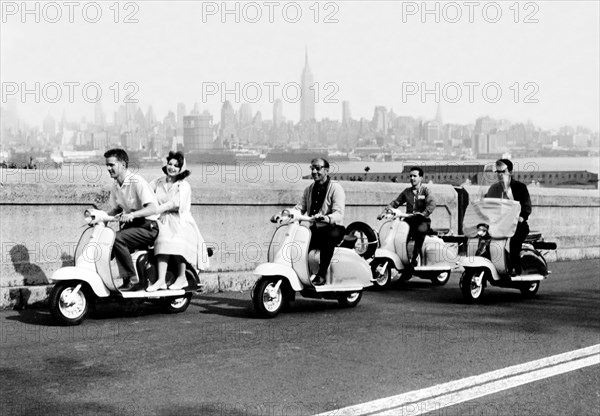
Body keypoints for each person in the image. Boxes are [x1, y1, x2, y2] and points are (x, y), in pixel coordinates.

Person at [146, 151, 209, 291]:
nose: (172, 168)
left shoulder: (183, 186)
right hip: (161, 219)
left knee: (171, 242)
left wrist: (157, 210)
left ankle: (182, 278)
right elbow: (146, 193)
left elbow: (174, 204)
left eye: (176, 165)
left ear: (181, 169)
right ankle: (161, 280)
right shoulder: (158, 182)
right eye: (170, 164)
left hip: (180, 221)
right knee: (159, 241)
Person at [104, 148, 159, 291]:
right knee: (106, 241)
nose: (109, 168)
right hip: (134, 226)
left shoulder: (137, 181)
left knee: (117, 238)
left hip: (149, 226)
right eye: (107, 165)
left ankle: (134, 280)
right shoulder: (115, 186)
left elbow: (152, 208)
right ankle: (125, 280)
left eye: (112, 165)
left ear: (122, 164)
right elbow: (116, 209)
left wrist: (132, 215)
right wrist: (102, 218)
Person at [290, 158, 345, 286]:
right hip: (315, 228)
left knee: (328, 238)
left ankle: (321, 275)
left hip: (333, 227)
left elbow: (339, 213)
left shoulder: (335, 188)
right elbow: (300, 207)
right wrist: (288, 213)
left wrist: (326, 218)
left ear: (326, 170)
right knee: (298, 240)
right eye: (312, 168)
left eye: (318, 168)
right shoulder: (309, 189)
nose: (314, 171)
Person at [485, 158, 532, 276]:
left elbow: (526, 206)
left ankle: (515, 268)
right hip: (499, 225)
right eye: (498, 172)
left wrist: (522, 217)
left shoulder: (520, 187)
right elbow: (487, 203)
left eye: (503, 171)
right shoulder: (494, 188)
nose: (500, 174)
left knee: (514, 242)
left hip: (517, 224)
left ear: (510, 172)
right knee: (484, 240)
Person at [387, 167, 436, 268]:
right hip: (409, 219)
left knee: (420, 232)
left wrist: (424, 213)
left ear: (421, 178)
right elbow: (396, 203)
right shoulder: (407, 192)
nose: (412, 178)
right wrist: (385, 211)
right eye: (411, 176)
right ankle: (402, 258)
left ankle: (415, 258)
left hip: (422, 220)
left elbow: (432, 203)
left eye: (415, 176)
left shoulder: (426, 191)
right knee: (399, 233)